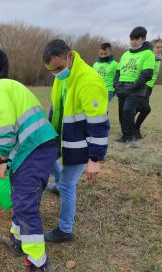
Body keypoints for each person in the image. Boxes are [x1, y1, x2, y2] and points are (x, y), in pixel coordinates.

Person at [0, 73, 58, 272]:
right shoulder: (10, 87)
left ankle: (41, 265)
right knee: (20, 197)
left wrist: (2, 159)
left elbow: (5, 123)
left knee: (26, 207)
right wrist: (9, 161)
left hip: (34, 149)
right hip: (33, 148)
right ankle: (18, 241)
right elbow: (17, 128)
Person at [43, 39, 110, 242]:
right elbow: (56, 107)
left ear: (70, 55)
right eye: (52, 70)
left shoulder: (89, 80)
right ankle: (57, 184)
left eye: (59, 68)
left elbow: (99, 123)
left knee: (68, 185)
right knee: (50, 157)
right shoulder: (62, 77)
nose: (56, 73)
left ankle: (65, 230)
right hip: (63, 136)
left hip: (80, 144)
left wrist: (95, 158)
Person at [114, 26, 155, 142]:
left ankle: (130, 137)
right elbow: (118, 71)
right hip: (121, 88)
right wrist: (116, 85)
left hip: (136, 89)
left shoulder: (148, 54)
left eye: (136, 39)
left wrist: (132, 86)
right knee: (122, 113)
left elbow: (147, 75)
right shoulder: (126, 54)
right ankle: (125, 136)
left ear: (143, 39)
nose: (133, 42)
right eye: (131, 39)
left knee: (128, 111)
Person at [134, 38, 162, 138]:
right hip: (144, 86)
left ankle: (131, 129)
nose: (160, 49)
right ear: (152, 48)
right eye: (157, 47)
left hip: (149, 88)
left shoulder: (159, 59)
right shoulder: (149, 57)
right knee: (145, 109)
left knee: (137, 108)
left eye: (161, 47)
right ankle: (133, 129)